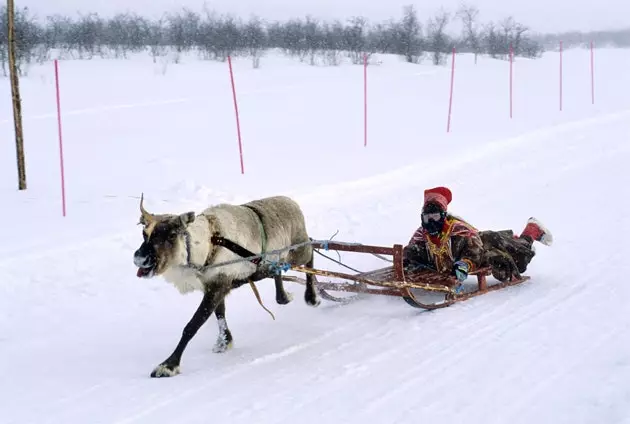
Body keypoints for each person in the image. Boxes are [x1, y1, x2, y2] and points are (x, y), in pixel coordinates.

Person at [402, 186, 552, 284]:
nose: (431, 222)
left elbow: (473, 250)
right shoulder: (422, 233)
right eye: (427, 218)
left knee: (516, 261)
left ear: (442, 216)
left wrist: (465, 264)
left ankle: (532, 231)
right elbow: (413, 249)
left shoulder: (458, 230)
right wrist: (408, 259)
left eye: (435, 217)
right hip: (456, 260)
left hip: (484, 246)